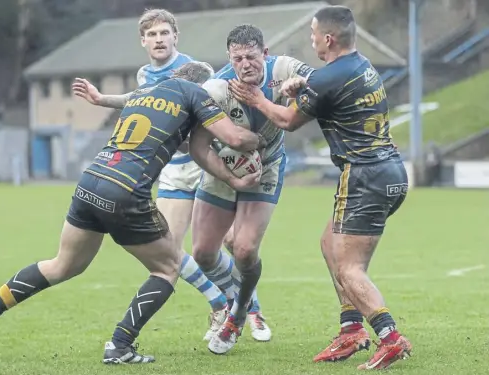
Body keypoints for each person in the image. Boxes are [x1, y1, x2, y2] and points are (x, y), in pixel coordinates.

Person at [0, 62, 266, 365]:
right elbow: (235, 138)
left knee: (63, 265)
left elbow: (181, 143)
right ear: (202, 85)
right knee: (168, 267)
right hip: (125, 191)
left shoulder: (147, 93)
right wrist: (264, 136)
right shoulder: (195, 93)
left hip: (91, 181)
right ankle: (120, 344)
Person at [228, 5, 412, 370]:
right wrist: (299, 86)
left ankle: (390, 337)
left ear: (327, 38)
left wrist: (257, 99)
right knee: (330, 244)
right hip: (389, 171)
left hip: (363, 176)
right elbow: (327, 92)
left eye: (313, 33)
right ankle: (350, 329)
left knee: (349, 269)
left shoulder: (329, 77)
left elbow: (288, 120)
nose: (310, 39)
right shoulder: (360, 66)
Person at [71, 8, 272, 342]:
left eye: (164, 33)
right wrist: (101, 99)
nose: (159, 39)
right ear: (143, 41)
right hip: (174, 171)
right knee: (169, 249)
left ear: (175, 36)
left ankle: (250, 310)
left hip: (206, 162)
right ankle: (222, 305)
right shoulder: (143, 76)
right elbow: (139, 99)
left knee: (228, 243)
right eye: (152, 34)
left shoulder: (198, 72)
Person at [190, 24, 314, 355]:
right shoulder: (217, 88)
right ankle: (242, 299)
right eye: (237, 58)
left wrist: (301, 85)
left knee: (243, 249)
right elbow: (198, 145)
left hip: (269, 165)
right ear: (230, 58)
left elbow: (319, 82)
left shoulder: (284, 69)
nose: (245, 64)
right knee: (202, 253)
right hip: (225, 166)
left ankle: (241, 312)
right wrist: (231, 178)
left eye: (252, 56)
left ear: (266, 53)